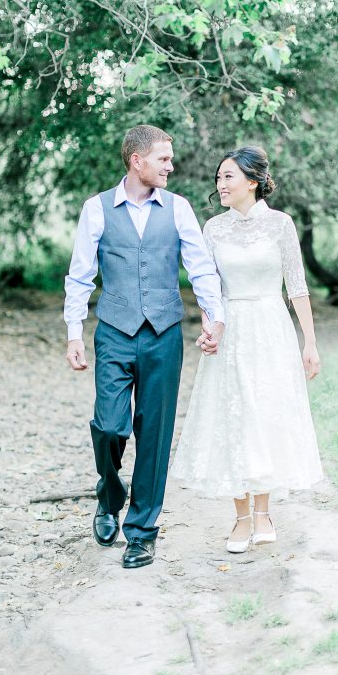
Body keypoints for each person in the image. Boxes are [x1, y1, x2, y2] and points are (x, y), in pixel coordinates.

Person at [64, 125, 224, 569]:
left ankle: (142, 533)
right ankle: (108, 494)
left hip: (164, 336)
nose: (171, 166)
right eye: (163, 159)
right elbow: (79, 276)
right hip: (113, 332)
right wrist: (74, 333)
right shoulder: (96, 210)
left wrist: (215, 316)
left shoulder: (179, 209)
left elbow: (201, 268)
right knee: (110, 427)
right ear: (137, 161)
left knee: (154, 434)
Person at [171, 146, 323, 553]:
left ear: (252, 182)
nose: (220, 185)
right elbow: (208, 290)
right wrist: (210, 328)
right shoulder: (213, 229)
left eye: (228, 177)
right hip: (231, 328)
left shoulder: (280, 225)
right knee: (233, 415)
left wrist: (309, 342)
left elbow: (297, 286)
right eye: (218, 178)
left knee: (265, 415)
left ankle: (264, 512)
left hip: (271, 328)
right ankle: (240, 518)